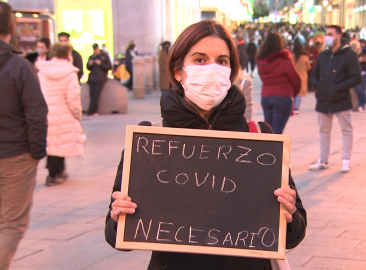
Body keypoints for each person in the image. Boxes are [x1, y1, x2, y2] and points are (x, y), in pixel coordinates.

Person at [104, 20, 306, 270]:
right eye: (199, 60)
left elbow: (295, 233)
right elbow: (116, 237)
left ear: (231, 71)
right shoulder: (149, 140)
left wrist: (289, 214)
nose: (212, 68)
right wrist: (119, 216)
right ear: (178, 71)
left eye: (221, 61)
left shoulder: (260, 139)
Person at [0, 2, 48, 269]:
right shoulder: (19, 67)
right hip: (15, 156)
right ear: (12, 28)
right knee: (12, 224)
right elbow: (37, 113)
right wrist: (36, 152)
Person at [309, 25, 361, 173]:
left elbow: (356, 77)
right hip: (323, 99)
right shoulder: (323, 55)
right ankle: (323, 160)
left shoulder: (348, 55)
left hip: (341, 98)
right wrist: (317, 85)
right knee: (324, 130)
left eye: (331, 34)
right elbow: (314, 74)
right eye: (327, 34)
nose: (328, 37)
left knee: (346, 129)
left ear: (339, 36)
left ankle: (346, 160)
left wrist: (338, 86)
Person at [36, 43, 85, 186]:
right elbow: (73, 97)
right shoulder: (69, 73)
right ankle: (53, 174)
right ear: (67, 54)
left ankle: (57, 171)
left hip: (47, 111)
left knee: (53, 142)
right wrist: (77, 113)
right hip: (65, 111)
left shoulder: (42, 71)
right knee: (61, 142)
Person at [256, 32, 301, 134]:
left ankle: (266, 149)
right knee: (277, 130)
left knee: (268, 130)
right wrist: (293, 93)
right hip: (282, 96)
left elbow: (262, 77)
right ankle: (274, 150)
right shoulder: (284, 60)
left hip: (266, 96)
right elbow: (296, 80)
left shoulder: (261, 60)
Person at [86, 43, 112, 116]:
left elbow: (109, 67)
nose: (95, 51)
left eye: (96, 49)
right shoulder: (91, 57)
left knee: (96, 94)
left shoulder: (104, 56)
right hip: (92, 78)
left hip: (100, 78)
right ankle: (91, 109)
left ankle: (93, 110)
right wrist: (89, 64)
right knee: (92, 94)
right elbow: (88, 67)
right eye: (94, 49)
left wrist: (100, 64)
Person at [352, 39, 366, 112]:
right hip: (355, 74)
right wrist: (358, 60)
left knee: (363, 87)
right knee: (357, 87)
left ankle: (361, 105)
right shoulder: (352, 54)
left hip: (365, 72)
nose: (362, 46)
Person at [291, 38, 310, 115]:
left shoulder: (291, 56)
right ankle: (296, 108)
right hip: (302, 77)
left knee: (293, 93)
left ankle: (292, 107)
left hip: (293, 76)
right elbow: (308, 67)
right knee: (299, 94)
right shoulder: (305, 57)